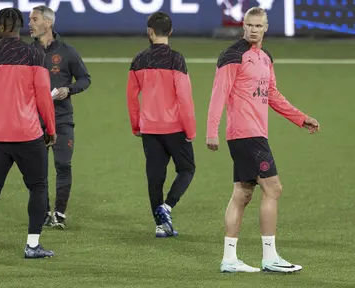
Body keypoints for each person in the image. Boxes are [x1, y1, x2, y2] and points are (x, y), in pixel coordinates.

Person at [206, 7, 320, 273]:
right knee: (273, 189)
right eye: (250, 25)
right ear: (243, 26)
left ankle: (229, 260)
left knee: (243, 193)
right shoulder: (233, 55)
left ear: (266, 27)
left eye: (259, 26)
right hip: (246, 134)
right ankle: (270, 257)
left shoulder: (266, 58)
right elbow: (218, 94)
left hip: (255, 133)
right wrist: (212, 130)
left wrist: (300, 118)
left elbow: (272, 94)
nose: (254, 30)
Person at [0, 7, 57, 260]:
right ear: (19, 27)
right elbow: (44, 96)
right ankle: (32, 245)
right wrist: (50, 129)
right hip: (29, 135)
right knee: (38, 188)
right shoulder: (34, 54)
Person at [127, 12, 196, 238]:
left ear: (149, 31)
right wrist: (190, 129)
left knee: (155, 177)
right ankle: (167, 207)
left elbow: (131, 97)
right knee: (187, 169)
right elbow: (184, 98)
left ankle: (159, 225)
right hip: (175, 128)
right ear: (171, 32)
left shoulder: (138, 59)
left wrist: (136, 125)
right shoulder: (177, 59)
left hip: (149, 129)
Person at [29, 5, 91, 229]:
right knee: (38, 170)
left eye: (34, 20)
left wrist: (69, 89)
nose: (30, 24)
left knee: (63, 165)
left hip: (62, 118)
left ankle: (60, 214)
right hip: (35, 120)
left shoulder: (67, 51)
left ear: (48, 22)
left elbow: (85, 79)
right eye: (30, 20)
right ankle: (44, 212)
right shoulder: (29, 53)